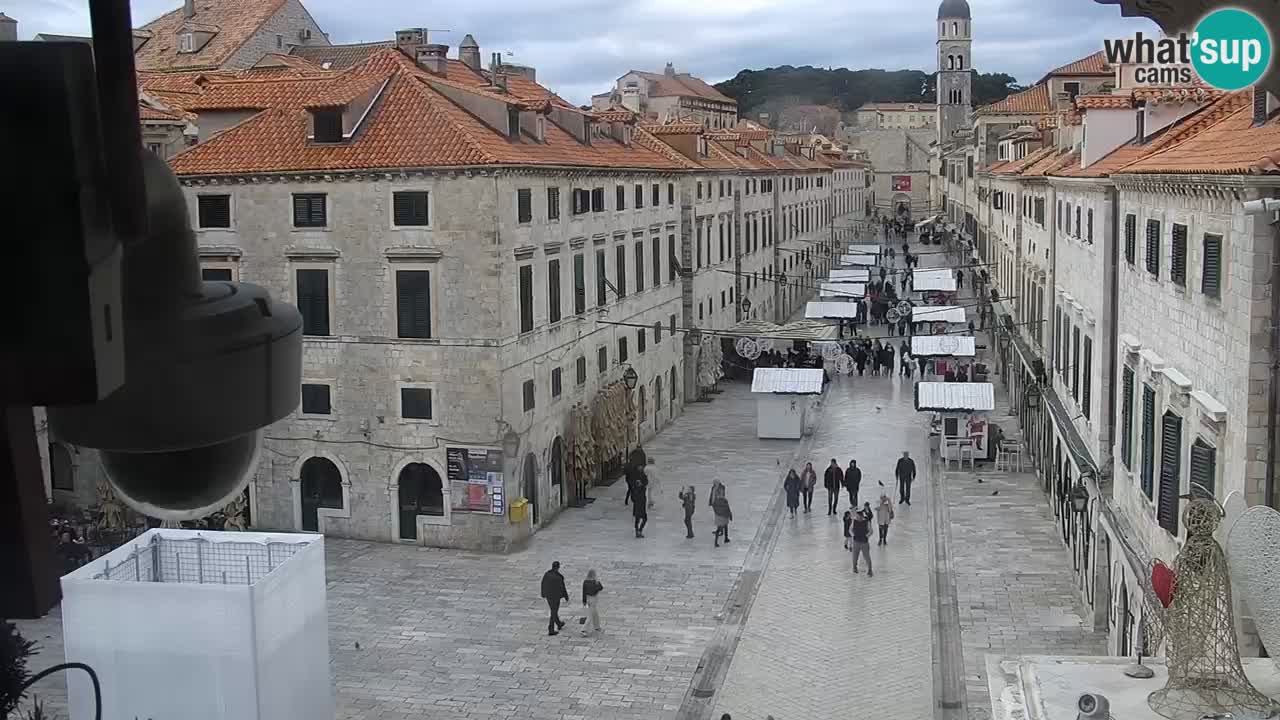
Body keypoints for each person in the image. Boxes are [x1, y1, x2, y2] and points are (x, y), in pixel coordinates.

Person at [541, 561, 569, 636]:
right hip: (555, 598)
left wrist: (543, 593)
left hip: (548, 596)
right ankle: (551, 629)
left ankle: (559, 624)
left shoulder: (547, 574)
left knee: (553, 610)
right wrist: (566, 596)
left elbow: (543, 583)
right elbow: (562, 588)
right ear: (558, 567)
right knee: (554, 611)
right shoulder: (558, 577)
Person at [849, 506, 873, 576]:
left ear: (862, 515)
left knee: (867, 557)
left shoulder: (867, 522)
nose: (858, 517)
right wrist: (853, 535)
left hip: (864, 542)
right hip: (856, 542)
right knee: (854, 556)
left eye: (859, 516)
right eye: (857, 516)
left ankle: (870, 570)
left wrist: (866, 536)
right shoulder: (854, 521)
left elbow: (871, 531)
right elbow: (850, 529)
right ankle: (854, 568)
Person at [581, 569, 603, 636]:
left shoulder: (585, 581)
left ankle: (597, 626)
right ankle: (584, 630)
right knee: (590, 615)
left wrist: (584, 601)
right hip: (593, 599)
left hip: (587, 598)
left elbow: (583, 592)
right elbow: (600, 588)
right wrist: (598, 582)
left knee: (595, 612)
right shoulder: (595, 582)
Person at [632, 470, 649, 538]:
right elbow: (645, 484)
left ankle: (637, 531)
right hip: (641, 507)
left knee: (637, 520)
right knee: (644, 519)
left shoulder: (635, 490)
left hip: (636, 507)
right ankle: (639, 530)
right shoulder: (642, 489)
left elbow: (633, 498)